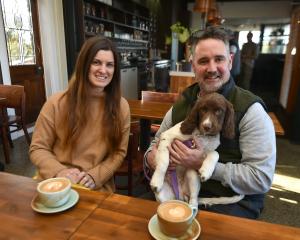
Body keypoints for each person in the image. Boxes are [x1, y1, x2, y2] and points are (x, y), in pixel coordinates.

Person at [144, 26, 276, 219]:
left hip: (230, 202)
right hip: (176, 191)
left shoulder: (251, 111)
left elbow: (261, 179)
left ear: (230, 61)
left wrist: (203, 164)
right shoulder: (182, 103)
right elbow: (154, 145)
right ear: (193, 65)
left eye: (219, 59)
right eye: (203, 61)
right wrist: (151, 158)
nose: (212, 68)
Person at [30, 36, 131, 192]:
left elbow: (119, 152)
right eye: (96, 62)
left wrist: (96, 176)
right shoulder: (55, 103)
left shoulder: (121, 107)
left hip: (95, 185)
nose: (103, 70)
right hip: (55, 181)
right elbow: (38, 148)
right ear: (84, 64)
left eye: (109, 65)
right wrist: (59, 171)